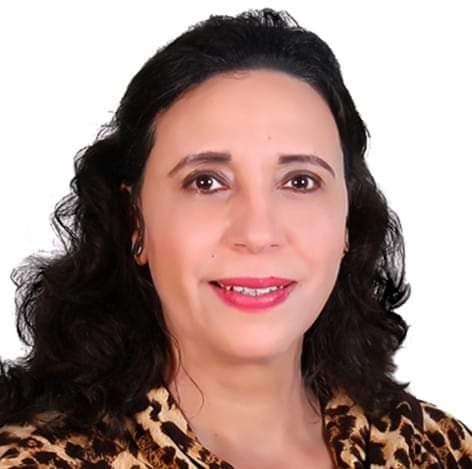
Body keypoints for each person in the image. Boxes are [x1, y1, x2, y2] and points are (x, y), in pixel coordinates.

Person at [0, 7, 470, 468]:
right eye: (206, 182)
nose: (258, 233)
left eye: (300, 181)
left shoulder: (436, 449)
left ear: (347, 219)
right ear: (134, 220)